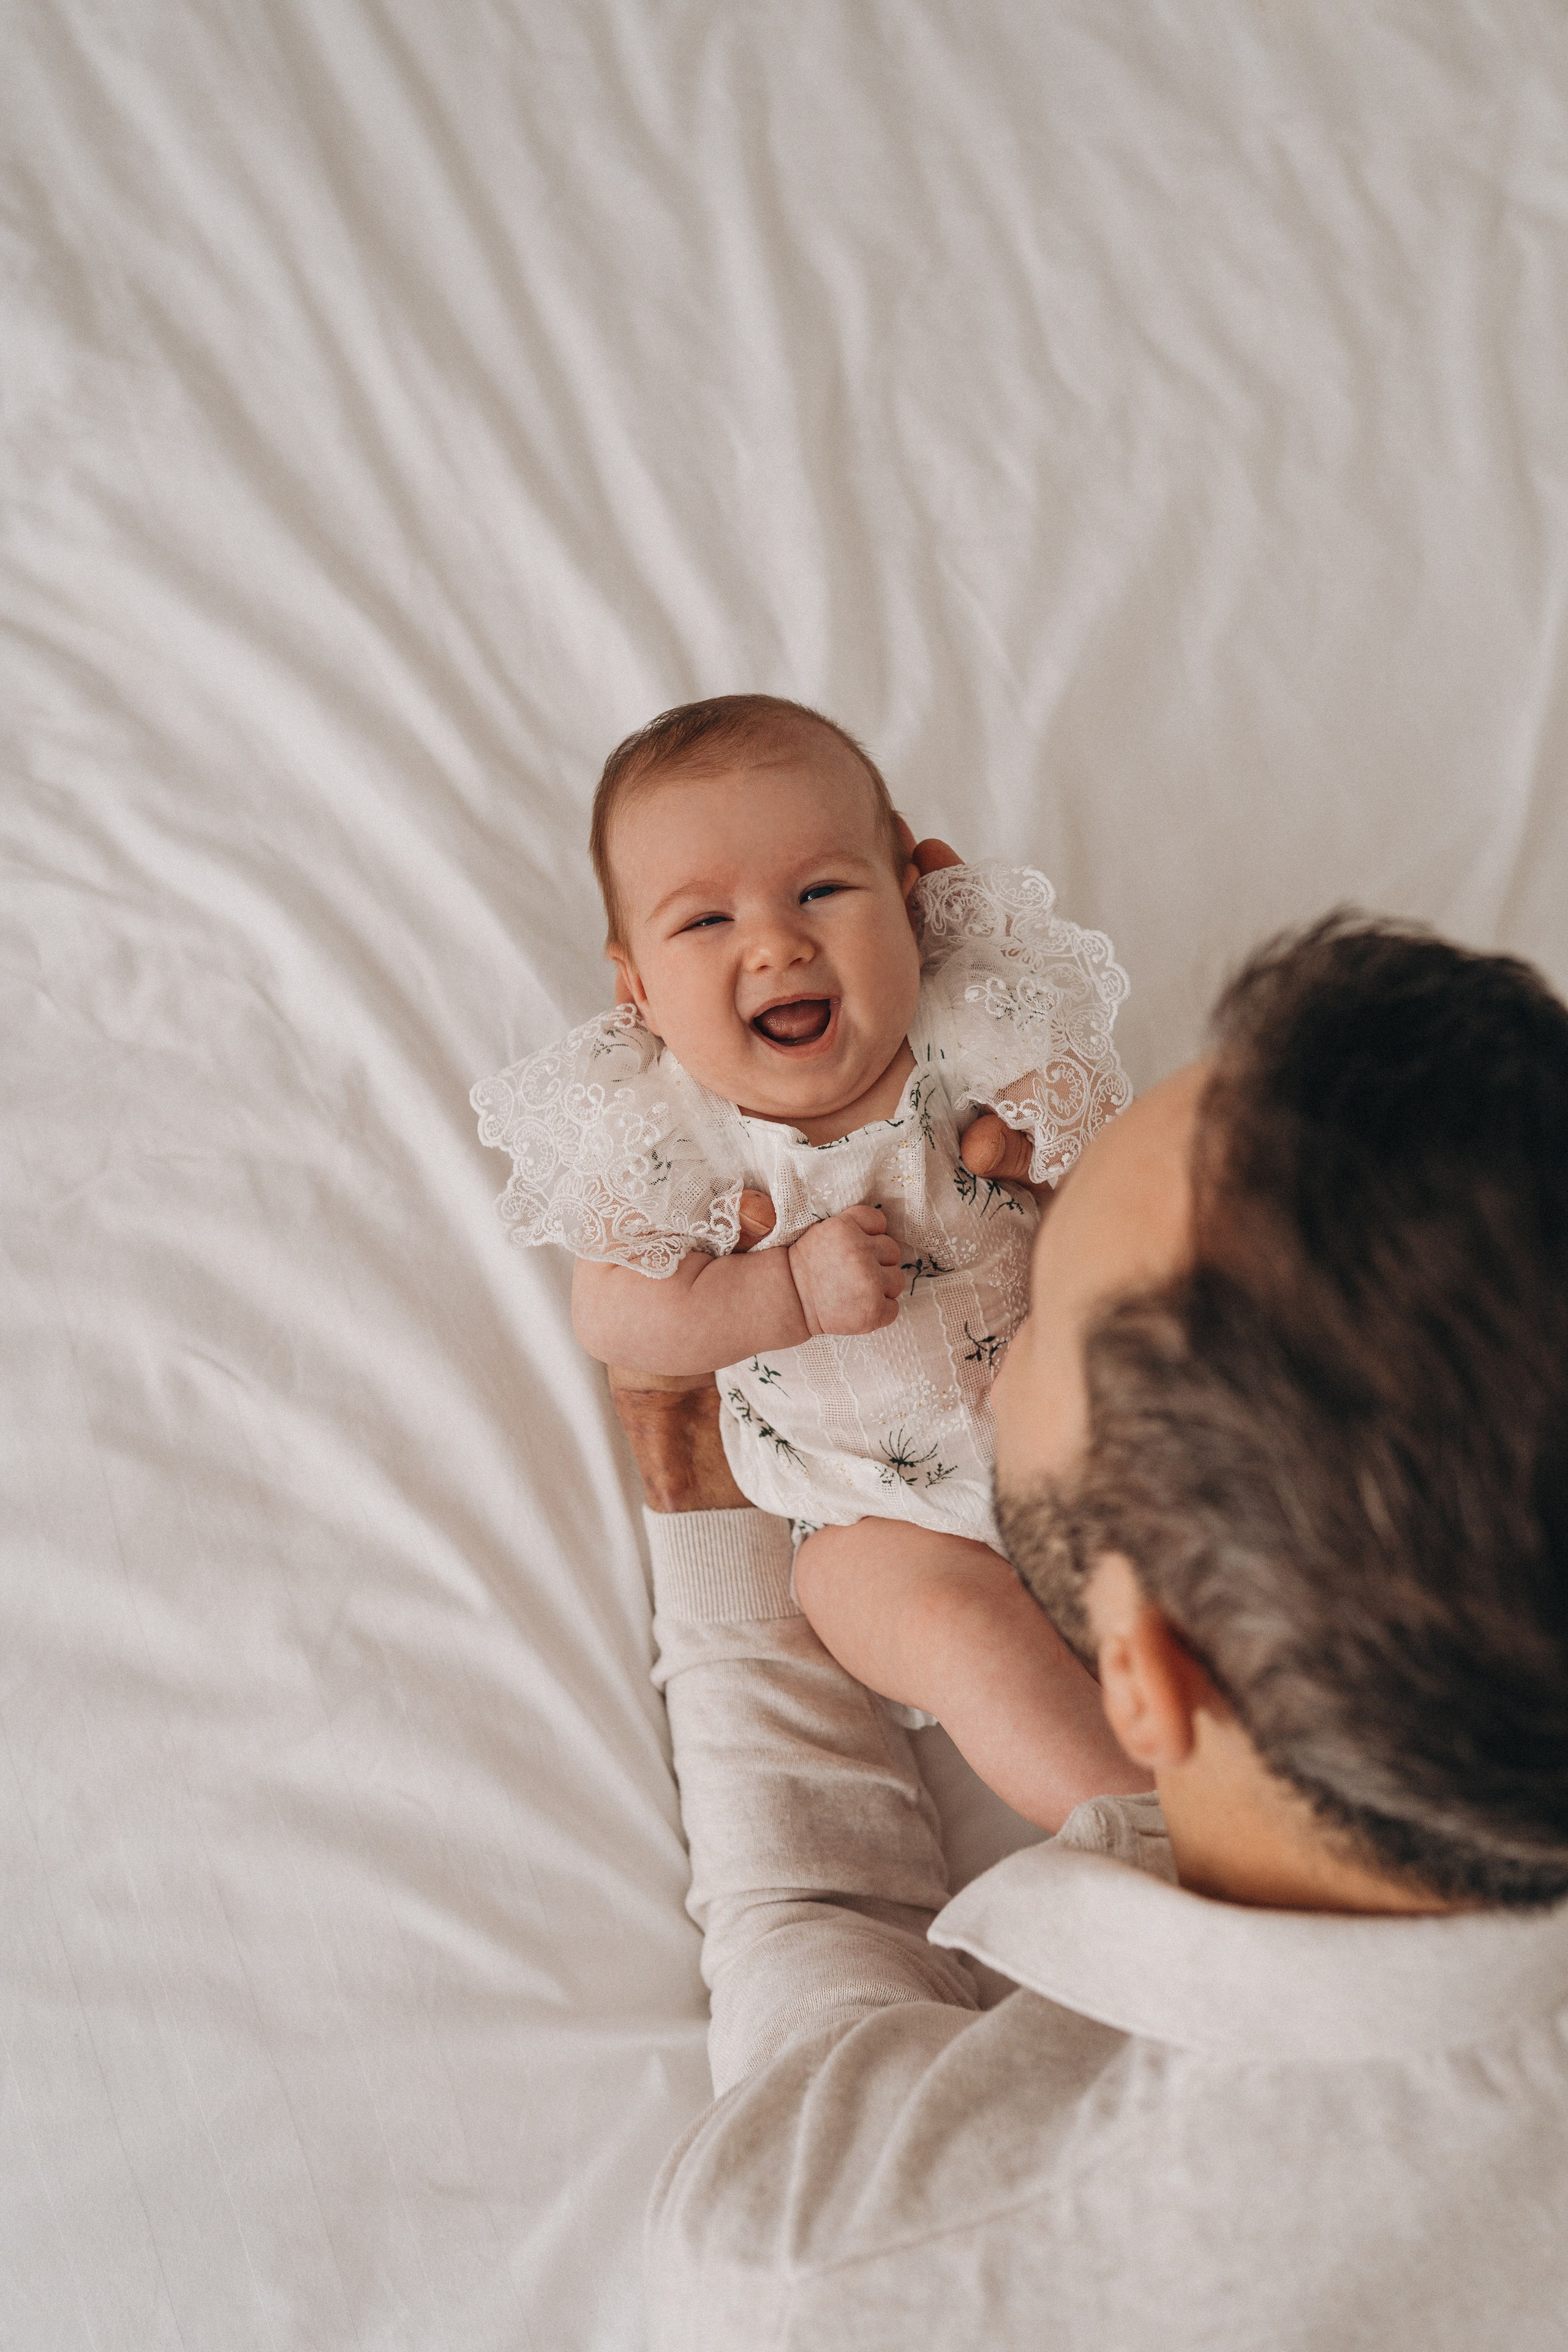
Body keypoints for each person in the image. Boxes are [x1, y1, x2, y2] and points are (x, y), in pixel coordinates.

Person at [618, 909, 1568, 2350]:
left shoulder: (841, 2266)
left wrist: (708, 1522)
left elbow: (816, 1946)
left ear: (1146, 1675)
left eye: (1038, 1305)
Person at [473, 693, 1145, 1824]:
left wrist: (1053, 1139)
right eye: (705, 924)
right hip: (879, 1519)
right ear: (636, 986)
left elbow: (1119, 1149)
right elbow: (617, 1319)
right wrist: (777, 1291)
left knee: (1218, 1501)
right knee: (946, 1633)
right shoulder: (671, 1133)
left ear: (910, 897)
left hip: (1085, 1429)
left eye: (822, 891)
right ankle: (1140, 1826)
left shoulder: (961, 1024)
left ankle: (1284, 1755)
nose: (777, 943)